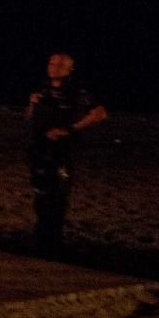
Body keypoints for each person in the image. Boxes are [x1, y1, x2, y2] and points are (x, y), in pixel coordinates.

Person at [26, 52, 106, 255]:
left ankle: (53, 240)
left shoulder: (77, 91)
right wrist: (32, 104)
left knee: (58, 195)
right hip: (39, 148)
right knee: (40, 193)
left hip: (63, 151)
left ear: (70, 69)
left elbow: (100, 113)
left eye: (60, 65)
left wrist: (70, 129)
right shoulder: (42, 87)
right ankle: (41, 235)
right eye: (52, 63)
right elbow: (30, 117)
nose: (54, 67)